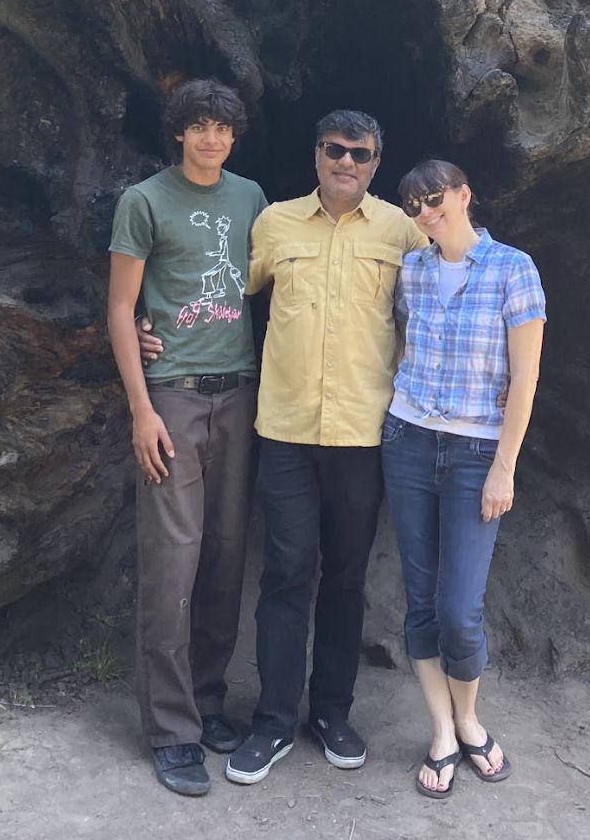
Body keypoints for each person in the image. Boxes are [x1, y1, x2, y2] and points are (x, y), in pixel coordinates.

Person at [139, 109, 426, 786]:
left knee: (347, 575)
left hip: (362, 431)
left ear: (376, 162)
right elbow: (212, 283)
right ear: (317, 154)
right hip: (287, 429)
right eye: (334, 149)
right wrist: (147, 316)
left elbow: (446, 290)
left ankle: (330, 710)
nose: (346, 162)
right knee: (287, 572)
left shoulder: (400, 231)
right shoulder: (273, 223)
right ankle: (271, 719)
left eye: (360, 152)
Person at [108, 79, 267, 796]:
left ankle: (207, 700)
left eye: (223, 127)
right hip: (173, 395)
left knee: (228, 554)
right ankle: (171, 728)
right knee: (173, 558)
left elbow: (274, 284)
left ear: (235, 134)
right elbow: (120, 309)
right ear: (178, 133)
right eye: (198, 126)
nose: (211, 138)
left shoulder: (252, 198)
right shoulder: (143, 200)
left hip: (241, 391)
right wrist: (142, 410)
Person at [383, 159, 545, 799]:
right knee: (420, 597)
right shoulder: (413, 271)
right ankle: (443, 729)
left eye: (436, 197)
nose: (427, 210)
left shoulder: (513, 268)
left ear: (464, 195)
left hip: (478, 450)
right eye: (415, 204)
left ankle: (471, 717)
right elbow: (395, 343)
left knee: (460, 608)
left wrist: (504, 465)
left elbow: (526, 378)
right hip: (408, 440)